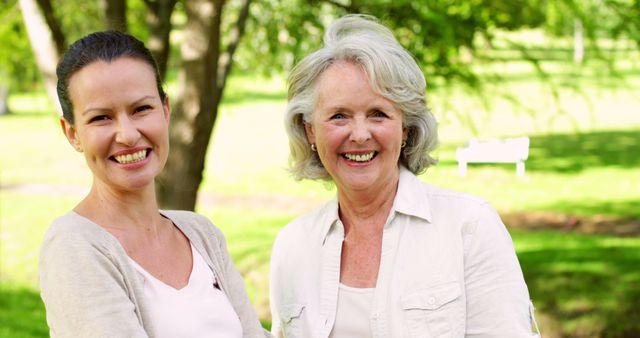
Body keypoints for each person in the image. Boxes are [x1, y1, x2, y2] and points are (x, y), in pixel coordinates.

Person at [269, 14, 540, 337]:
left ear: (407, 128)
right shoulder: (292, 246)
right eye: (339, 116)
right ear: (310, 130)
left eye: (378, 114)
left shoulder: (469, 227)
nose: (359, 134)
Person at [39, 31, 268, 337]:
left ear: (165, 110)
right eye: (101, 118)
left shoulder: (202, 234)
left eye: (141, 109)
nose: (128, 134)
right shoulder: (74, 247)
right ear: (72, 134)